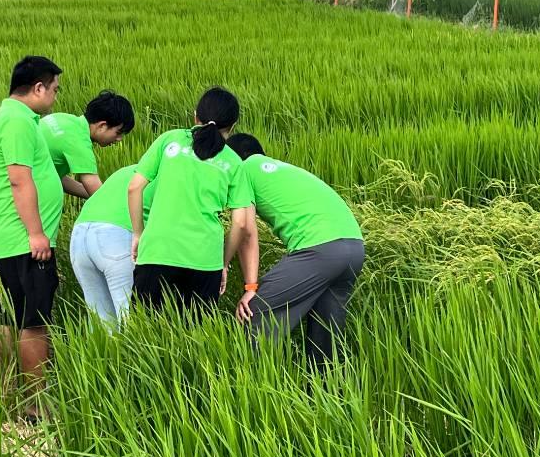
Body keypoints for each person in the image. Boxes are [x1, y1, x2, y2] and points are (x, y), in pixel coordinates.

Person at [226, 133, 365, 370]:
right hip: (354, 248)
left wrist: (244, 282)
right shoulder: (286, 170)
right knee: (326, 335)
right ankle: (326, 395)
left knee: (255, 312)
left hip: (321, 250)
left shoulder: (243, 169)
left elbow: (246, 230)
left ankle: (249, 386)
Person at [0, 56, 64, 419]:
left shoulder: (5, 118)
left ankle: (7, 394)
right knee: (33, 321)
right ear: (38, 88)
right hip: (22, 241)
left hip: (4, 238)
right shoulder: (17, 122)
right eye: (55, 90)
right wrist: (36, 234)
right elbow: (18, 179)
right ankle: (35, 406)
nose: (56, 98)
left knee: (6, 319)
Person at [128, 87, 255, 312]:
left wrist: (138, 234)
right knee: (195, 337)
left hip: (158, 250)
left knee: (146, 334)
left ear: (195, 115)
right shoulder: (233, 161)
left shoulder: (170, 140)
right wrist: (223, 263)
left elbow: (134, 187)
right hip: (205, 260)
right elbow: (241, 223)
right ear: (232, 126)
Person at [69, 165, 156, 325]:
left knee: (101, 323)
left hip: (80, 235)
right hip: (118, 235)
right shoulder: (171, 174)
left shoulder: (129, 170)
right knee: (131, 320)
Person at [40, 91, 135, 199]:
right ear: (102, 126)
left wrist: (91, 194)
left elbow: (56, 176)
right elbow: (101, 198)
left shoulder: (63, 118)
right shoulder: (79, 144)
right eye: (118, 133)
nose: (119, 139)